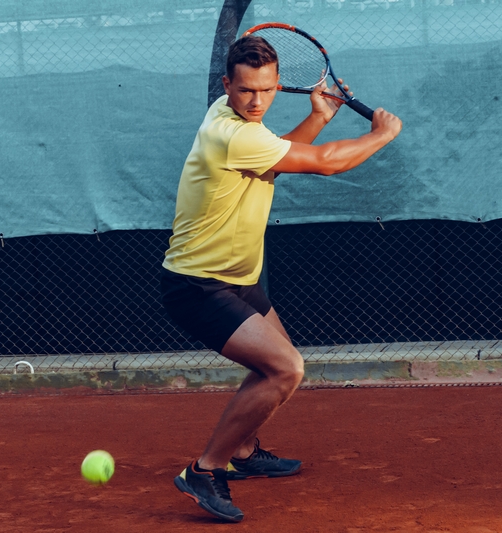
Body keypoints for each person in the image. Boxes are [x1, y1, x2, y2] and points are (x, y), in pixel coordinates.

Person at [160, 35, 402, 522]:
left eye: (267, 90)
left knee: (272, 365)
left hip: (239, 279)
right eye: (246, 90)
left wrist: (317, 117)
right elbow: (326, 163)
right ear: (227, 84)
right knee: (285, 368)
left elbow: (278, 154)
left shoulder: (228, 119)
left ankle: (244, 452)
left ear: (276, 87)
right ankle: (205, 470)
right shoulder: (233, 133)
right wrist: (380, 135)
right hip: (197, 285)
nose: (256, 101)